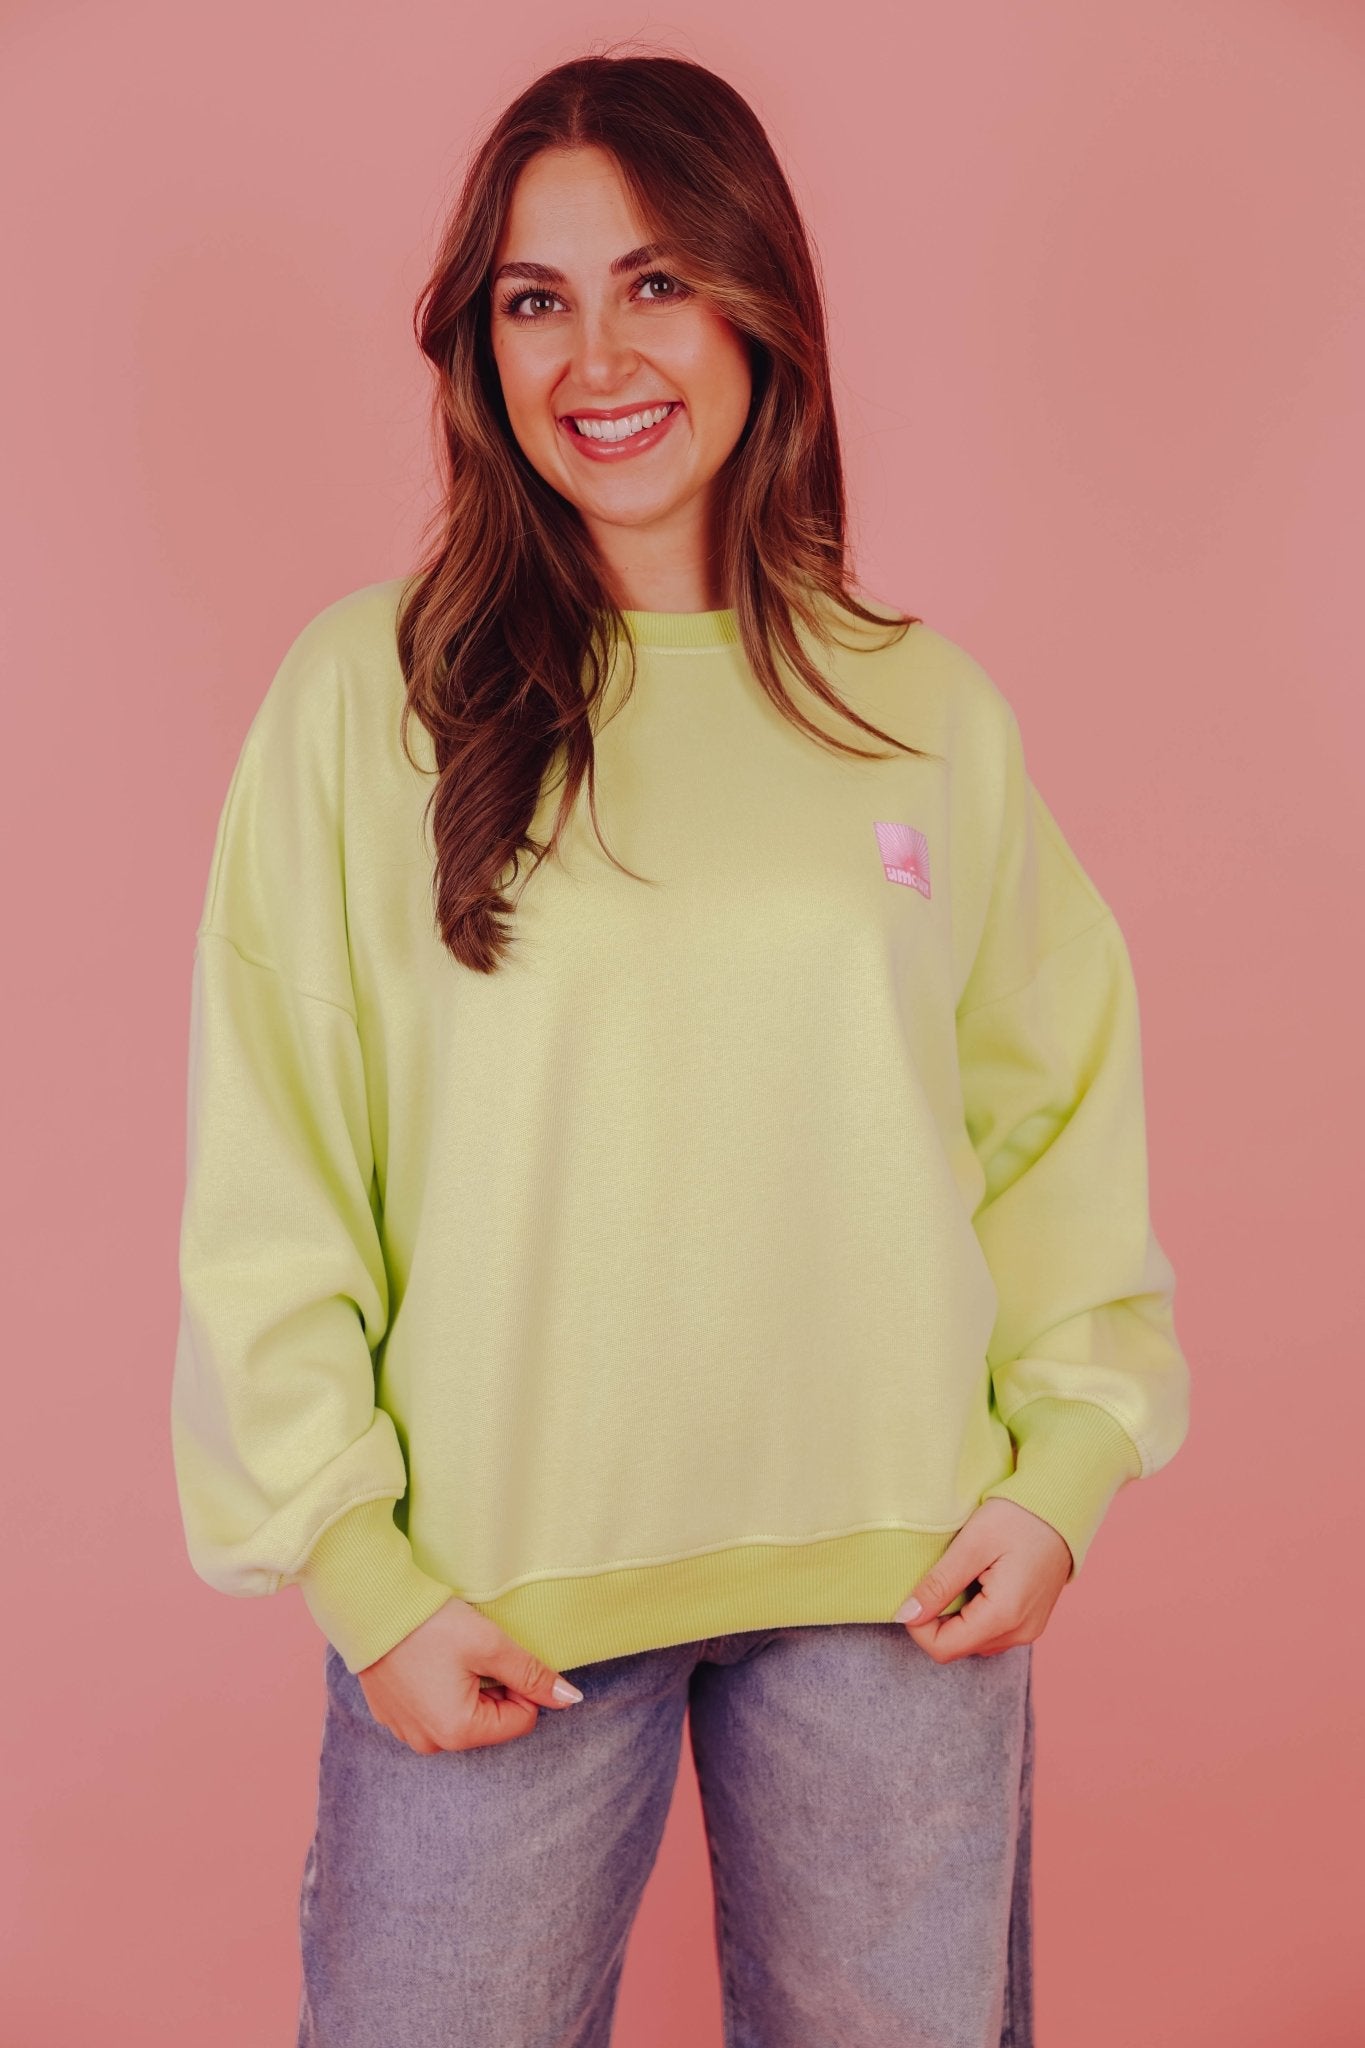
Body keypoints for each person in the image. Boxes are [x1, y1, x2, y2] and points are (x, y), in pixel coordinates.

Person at [169, 49, 1190, 2048]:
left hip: (903, 1589)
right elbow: (273, 1146)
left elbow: (1049, 1106)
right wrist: (357, 1567)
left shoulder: (919, 710)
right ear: (479, 344)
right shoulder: (369, 698)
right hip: (488, 1597)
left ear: (757, 303)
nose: (596, 356)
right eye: (534, 299)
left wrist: (1064, 1463)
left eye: (654, 281)